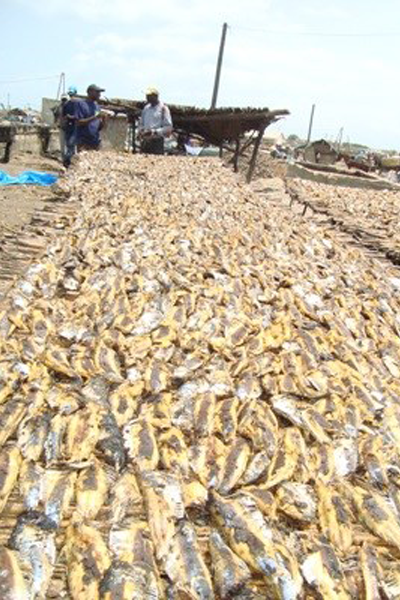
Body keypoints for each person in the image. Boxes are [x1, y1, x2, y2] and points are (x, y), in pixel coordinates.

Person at [139, 87, 173, 155]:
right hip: (145, 141)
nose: (146, 97)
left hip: (157, 142)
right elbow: (141, 123)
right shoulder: (146, 109)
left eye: (149, 96)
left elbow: (168, 127)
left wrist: (154, 132)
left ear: (155, 96)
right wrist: (141, 131)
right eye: (147, 96)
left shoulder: (163, 108)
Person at [74, 84, 106, 152]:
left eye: (99, 92)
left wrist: (104, 120)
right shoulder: (81, 104)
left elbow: (98, 127)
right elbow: (78, 122)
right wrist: (95, 117)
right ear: (89, 92)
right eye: (97, 92)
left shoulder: (97, 106)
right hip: (83, 142)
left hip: (95, 142)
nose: (99, 94)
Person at [61, 86, 78, 167]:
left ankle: (68, 162)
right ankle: (67, 163)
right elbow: (63, 116)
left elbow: (78, 116)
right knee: (70, 146)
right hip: (70, 127)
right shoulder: (67, 104)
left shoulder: (76, 104)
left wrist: (70, 117)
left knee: (70, 145)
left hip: (75, 126)